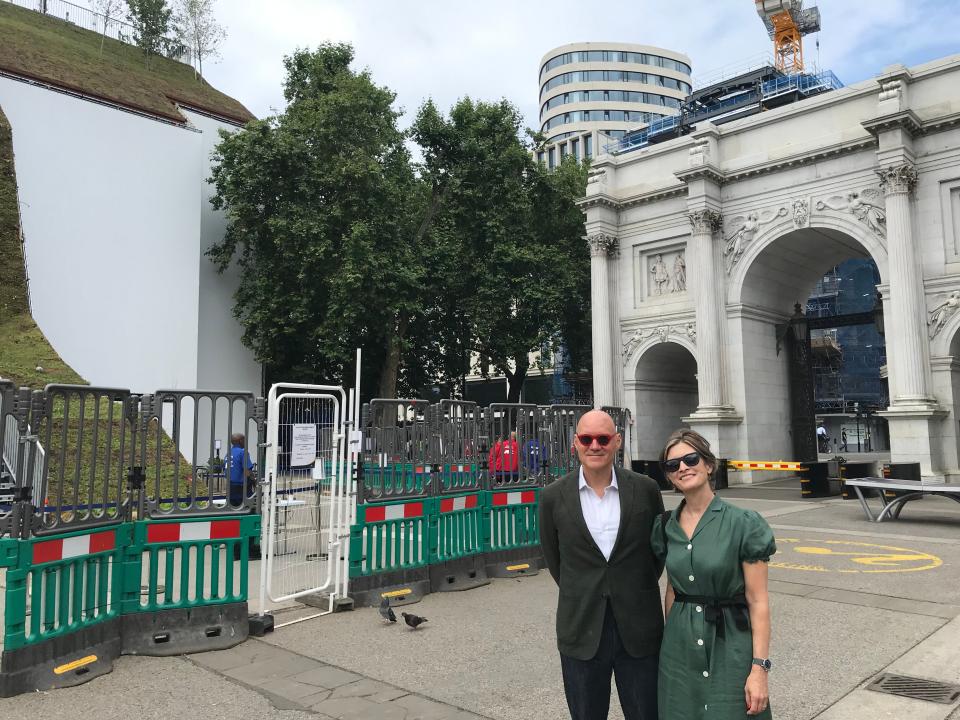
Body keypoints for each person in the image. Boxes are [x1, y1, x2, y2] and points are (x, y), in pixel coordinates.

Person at [540, 410, 665, 720]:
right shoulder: (552, 497)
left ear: (617, 442)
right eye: (586, 439)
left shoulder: (646, 489)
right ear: (575, 444)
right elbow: (555, 560)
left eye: (603, 438)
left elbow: (657, 553)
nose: (594, 445)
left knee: (646, 713)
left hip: (639, 627)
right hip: (581, 628)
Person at [652, 429, 776, 719]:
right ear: (669, 477)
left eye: (690, 459)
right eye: (673, 465)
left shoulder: (743, 523)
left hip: (730, 642)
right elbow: (673, 589)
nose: (683, 467)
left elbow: (758, 600)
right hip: (678, 649)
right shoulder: (665, 526)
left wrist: (759, 668)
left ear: (708, 465)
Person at [228, 433, 254, 508]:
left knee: (233, 510)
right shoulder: (242, 452)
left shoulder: (229, 453)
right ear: (240, 441)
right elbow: (247, 471)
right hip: (242, 487)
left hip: (230, 487)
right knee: (247, 509)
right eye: (244, 440)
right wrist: (254, 480)